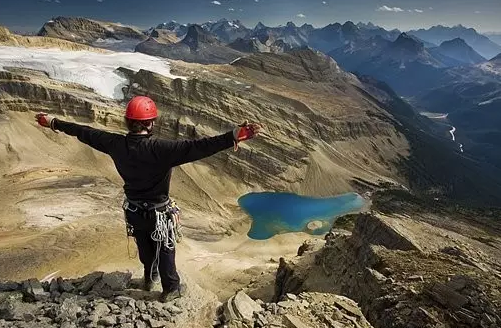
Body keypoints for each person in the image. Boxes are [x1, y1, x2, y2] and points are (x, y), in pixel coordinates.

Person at [35, 96, 262, 302]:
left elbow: (82, 131)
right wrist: (233, 136)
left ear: (127, 122)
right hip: (159, 213)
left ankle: (149, 277)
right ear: (150, 123)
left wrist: (53, 122)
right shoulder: (162, 149)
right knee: (165, 248)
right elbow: (200, 147)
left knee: (145, 247)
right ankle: (171, 288)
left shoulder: (114, 144)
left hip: (134, 212)